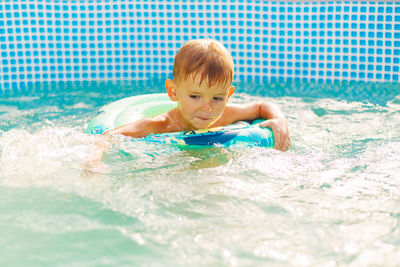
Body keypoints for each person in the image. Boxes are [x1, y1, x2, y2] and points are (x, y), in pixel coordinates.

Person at [106, 39, 291, 151]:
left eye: (217, 98)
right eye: (195, 96)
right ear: (173, 91)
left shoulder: (225, 115)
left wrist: (278, 118)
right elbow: (108, 137)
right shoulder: (162, 125)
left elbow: (261, 107)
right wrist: (94, 162)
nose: (207, 108)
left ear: (228, 96)